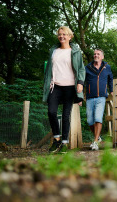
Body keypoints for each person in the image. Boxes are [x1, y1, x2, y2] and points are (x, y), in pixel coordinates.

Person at [43, 26, 85, 154]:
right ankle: (56, 138)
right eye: (60, 34)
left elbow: (81, 69)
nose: (62, 36)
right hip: (55, 86)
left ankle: (64, 144)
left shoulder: (75, 52)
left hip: (70, 87)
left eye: (64, 34)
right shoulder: (54, 51)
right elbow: (49, 68)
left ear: (70, 36)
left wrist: (80, 83)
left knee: (66, 115)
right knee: (51, 112)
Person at [85, 49, 113, 150]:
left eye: (98, 54)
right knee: (89, 121)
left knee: (98, 118)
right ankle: (98, 137)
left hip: (101, 97)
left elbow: (110, 79)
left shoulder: (107, 67)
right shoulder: (87, 68)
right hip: (89, 97)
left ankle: (95, 142)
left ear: (102, 56)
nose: (96, 55)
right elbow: (82, 80)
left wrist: (112, 90)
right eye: (94, 54)